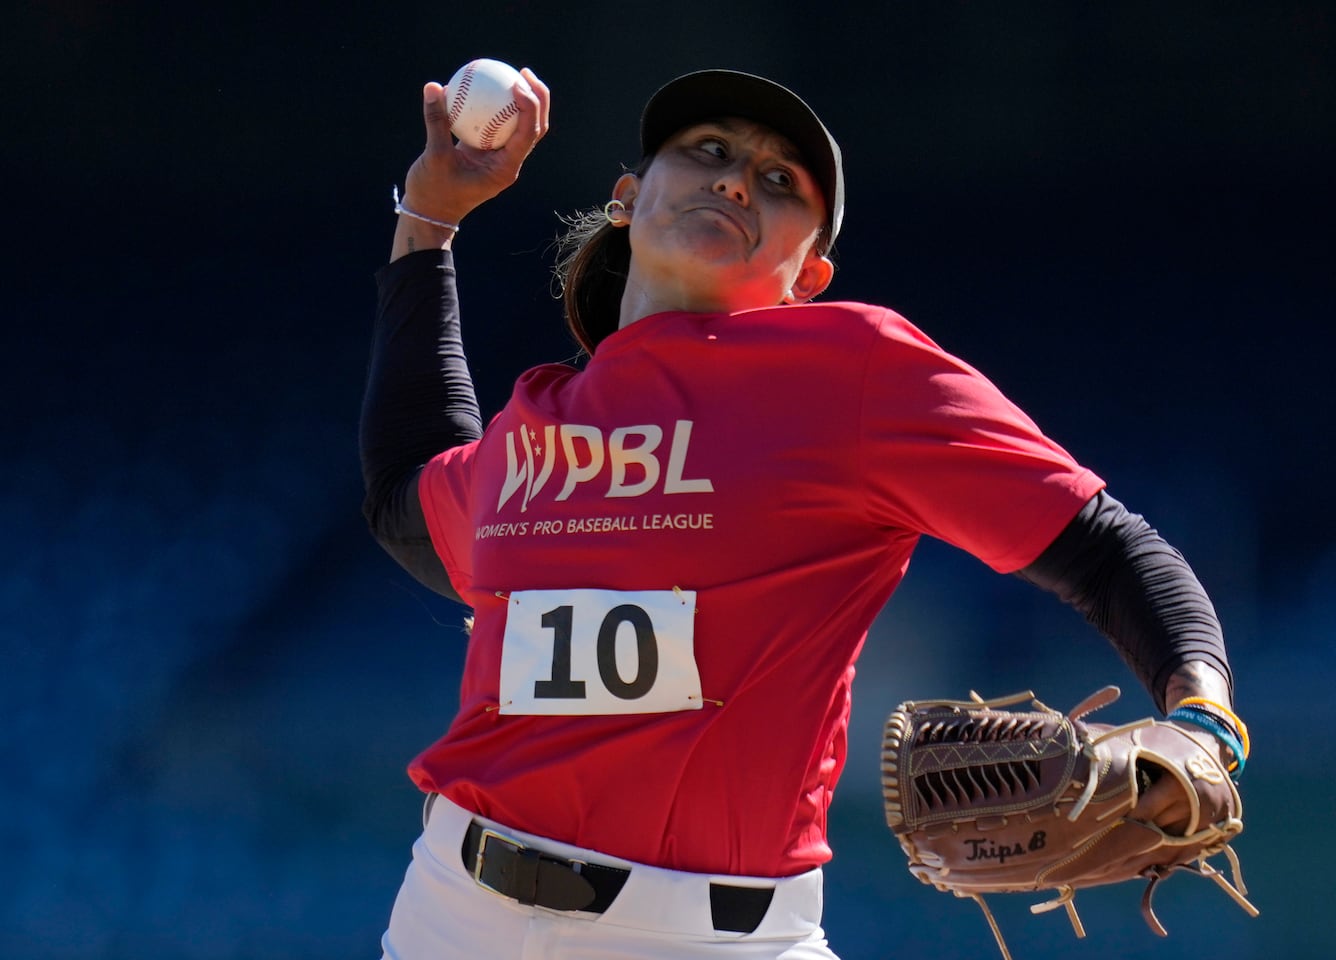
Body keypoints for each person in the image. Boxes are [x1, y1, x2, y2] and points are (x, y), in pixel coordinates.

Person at [360, 66, 1247, 960]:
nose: (737, 178)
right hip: (453, 911)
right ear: (628, 197)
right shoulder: (538, 420)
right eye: (708, 151)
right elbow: (408, 499)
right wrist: (428, 221)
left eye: (781, 182)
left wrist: (1205, 717)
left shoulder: (853, 371)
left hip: (715, 938)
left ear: (809, 274)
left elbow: (1104, 550)